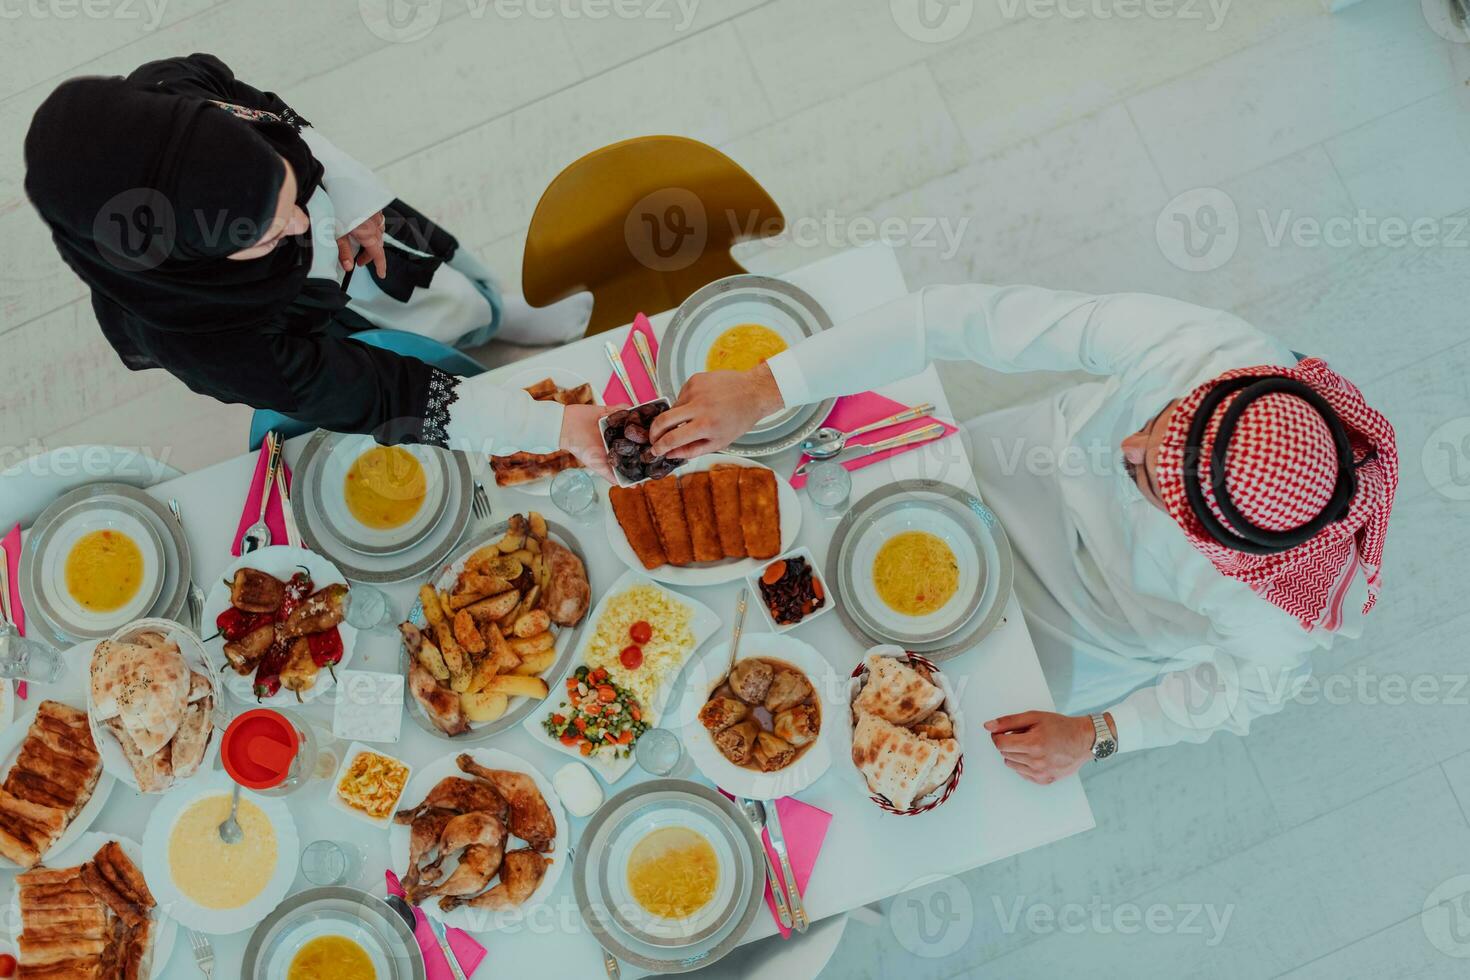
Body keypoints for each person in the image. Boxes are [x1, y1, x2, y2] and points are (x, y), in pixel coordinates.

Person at [650, 284, 1398, 784]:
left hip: (1094, 633)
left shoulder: (1274, 611)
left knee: (917, 744)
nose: (1127, 450)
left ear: (1212, 548)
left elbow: (1245, 693)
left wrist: (1102, 734)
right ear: (1211, 391)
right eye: (1152, 428)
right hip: (1017, 466)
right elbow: (952, 317)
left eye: (1145, 479)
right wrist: (765, 385)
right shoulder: (1201, 348)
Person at [23, 53, 610, 475]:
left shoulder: (173, 87)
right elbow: (381, 393)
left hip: (359, 228)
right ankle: (468, 322)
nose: (304, 224)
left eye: (285, 190)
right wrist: (546, 426)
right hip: (296, 313)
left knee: (431, 281)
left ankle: (488, 314)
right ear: (196, 257)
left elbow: (266, 110)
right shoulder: (220, 344)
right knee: (396, 338)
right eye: (271, 230)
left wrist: (348, 200)